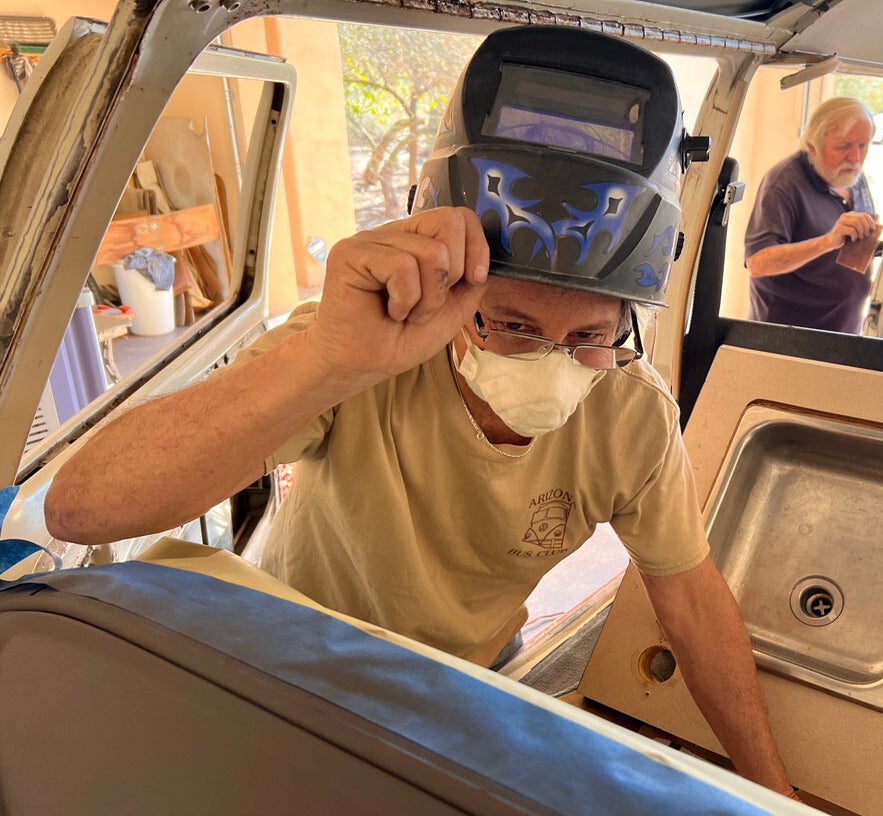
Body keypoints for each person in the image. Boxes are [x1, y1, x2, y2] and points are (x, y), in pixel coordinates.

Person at [45, 26, 799, 801]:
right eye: (511, 324)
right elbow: (82, 507)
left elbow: (691, 600)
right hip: (298, 651)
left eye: (588, 336)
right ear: (452, 292)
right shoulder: (356, 350)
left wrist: (774, 796)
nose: (551, 361)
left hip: (464, 680)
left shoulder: (631, 414)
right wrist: (326, 362)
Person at [744, 97, 881, 333]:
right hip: (788, 337)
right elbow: (758, 262)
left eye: (863, 145)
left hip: (843, 331)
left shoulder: (852, 175)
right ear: (812, 146)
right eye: (844, 146)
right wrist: (827, 242)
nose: (856, 158)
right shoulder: (783, 184)